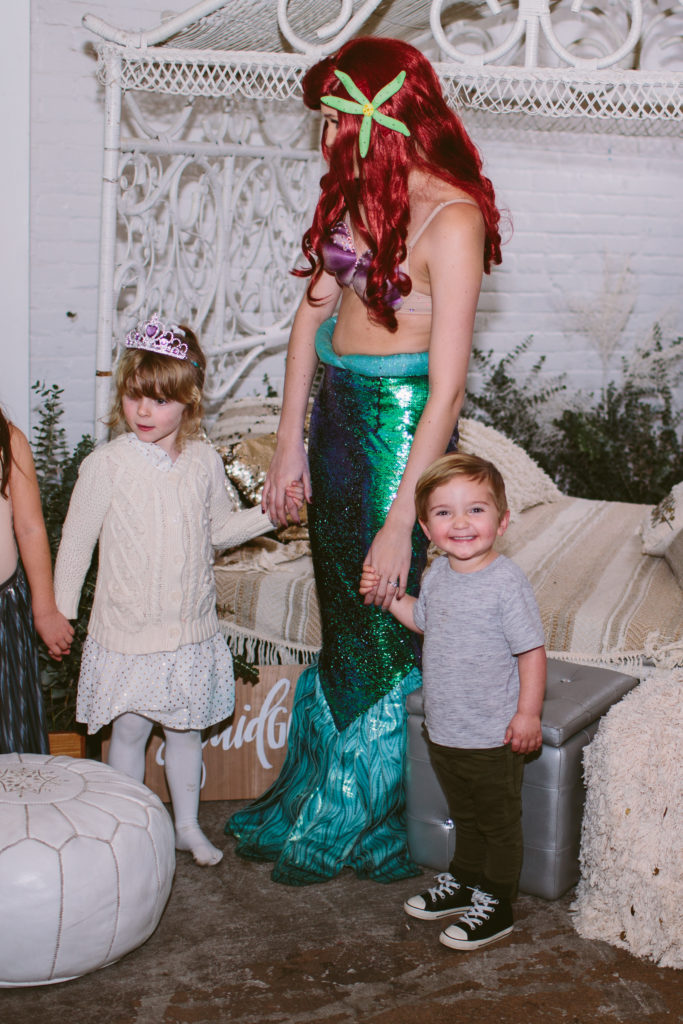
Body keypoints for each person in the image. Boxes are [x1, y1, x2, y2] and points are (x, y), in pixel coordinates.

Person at [226, 36, 502, 885]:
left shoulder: (451, 220)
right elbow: (311, 318)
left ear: (377, 119)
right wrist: (289, 443)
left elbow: (446, 392)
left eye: (332, 122)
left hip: (401, 434)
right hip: (338, 422)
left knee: (385, 623)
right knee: (344, 621)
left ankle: (372, 817)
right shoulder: (359, 201)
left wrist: (398, 521)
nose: (323, 139)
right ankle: (322, 792)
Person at [54, 314, 275, 865]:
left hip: (189, 633)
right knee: (129, 732)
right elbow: (76, 544)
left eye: (159, 400)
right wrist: (60, 611)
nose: (144, 411)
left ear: (189, 400)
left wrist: (271, 515)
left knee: (185, 732)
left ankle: (186, 826)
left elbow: (218, 531)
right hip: (128, 633)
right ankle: (127, 830)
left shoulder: (203, 462)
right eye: (134, 396)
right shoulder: (106, 465)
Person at [361, 453, 546, 949]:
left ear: (502, 521)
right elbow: (425, 620)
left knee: (498, 823)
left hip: (492, 734)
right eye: (445, 512)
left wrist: (528, 714)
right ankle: (465, 880)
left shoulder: (506, 583)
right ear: (426, 527)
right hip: (444, 729)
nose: (461, 523)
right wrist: (389, 596)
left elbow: (531, 652)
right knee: (465, 815)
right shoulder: (438, 573)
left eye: (475, 510)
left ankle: (497, 901)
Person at [0, 405, 74, 754]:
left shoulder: (8, 439)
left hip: (5, 611)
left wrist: (44, 610)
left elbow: (29, 528)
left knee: (11, 726)